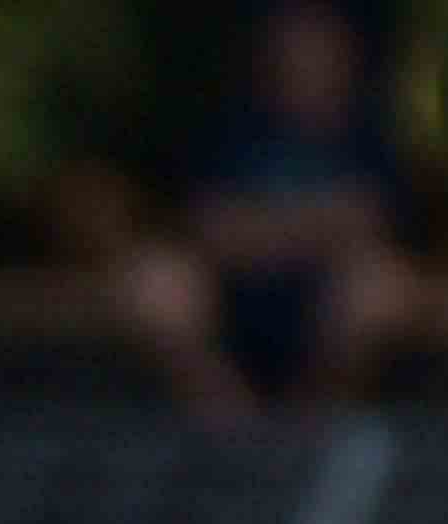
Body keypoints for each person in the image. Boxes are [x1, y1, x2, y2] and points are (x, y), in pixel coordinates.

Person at [115, 0, 422, 421]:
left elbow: (374, 225)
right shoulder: (232, 130)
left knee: (382, 288)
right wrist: (314, 227)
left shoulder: (370, 137)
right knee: (154, 280)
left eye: (320, 48)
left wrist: (264, 229)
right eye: (295, 46)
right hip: (234, 308)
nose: (307, 59)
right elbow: (207, 227)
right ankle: (232, 428)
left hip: (322, 314)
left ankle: (306, 426)